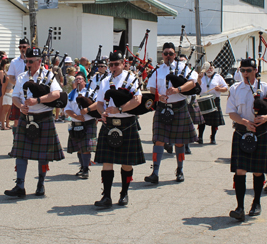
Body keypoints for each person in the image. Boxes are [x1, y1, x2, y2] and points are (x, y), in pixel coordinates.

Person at [226, 58, 267, 221]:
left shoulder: (265, 88)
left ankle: (256, 203)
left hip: (261, 132)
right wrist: (244, 122)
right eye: (242, 70)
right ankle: (240, 207)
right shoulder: (235, 89)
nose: (245, 73)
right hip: (242, 132)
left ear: (255, 71)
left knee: (258, 171)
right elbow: (231, 112)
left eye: (248, 70)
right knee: (240, 170)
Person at [5, 47, 64, 198]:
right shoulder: (21, 77)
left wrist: (38, 100)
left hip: (43, 116)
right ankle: (20, 186)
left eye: (31, 61)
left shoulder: (48, 75)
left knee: (43, 155)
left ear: (39, 62)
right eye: (26, 61)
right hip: (27, 117)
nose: (28, 64)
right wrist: (21, 107)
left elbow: (57, 94)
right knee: (20, 153)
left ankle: (41, 184)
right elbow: (15, 97)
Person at [93, 50, 145, 207]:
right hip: (109, 123)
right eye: (111, 64)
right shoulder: (104, 81)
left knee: (126, 162)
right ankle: (106, 196)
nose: (113, 67)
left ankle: (124, 193)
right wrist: (102, 114)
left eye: (117, 64)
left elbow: (138, 100)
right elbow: (100, 103)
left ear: (123, 64)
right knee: (107, 161)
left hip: (127, 122)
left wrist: (119, 110)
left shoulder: (131, 79)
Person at [145, 42, 198, 184]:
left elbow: (193, 83)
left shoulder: (183, 67)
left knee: (179, 143)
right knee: (158, 140)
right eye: (166, 53)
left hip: (179, 106)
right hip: (162, 107)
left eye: (171, 53)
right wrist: (158, 96)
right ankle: (155, 172)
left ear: (175, 55)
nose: (168, 56)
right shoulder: (158, 71)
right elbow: (151, 87)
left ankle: (180, 170)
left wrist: (178, 89)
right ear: (162, 54)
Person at [64, 72, 98, 179]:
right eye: (76, 79)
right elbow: (67, 109)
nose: (78, 81)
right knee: (79, 147)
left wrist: (88, 110)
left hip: (88, 123)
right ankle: (83, 167)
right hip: (76, 123)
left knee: (86, 147)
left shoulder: (92, 92)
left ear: (85, 81)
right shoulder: (71, 94)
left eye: (80, 79)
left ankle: (86, 169)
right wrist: (76, 116)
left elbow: (98, 104)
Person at [197, 62, 229, 144]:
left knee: (215, 121)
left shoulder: (218, 77)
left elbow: (226, 88)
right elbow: (197, 86)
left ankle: (213, 137)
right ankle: (200, 137)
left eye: (211, 68)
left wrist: (220, 89)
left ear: (213, 69)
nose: (209, 70)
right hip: (203, 99)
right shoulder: (201, 76)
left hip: (214, 99)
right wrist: (199, 78)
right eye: (208, 68)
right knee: (202, 120)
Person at [8, 38, 29, 135]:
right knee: (16, 120)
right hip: (18, 93)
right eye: (20, 47)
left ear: (28, 47)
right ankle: (15, 143)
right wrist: (18, 85)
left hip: (30, 92)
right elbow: (11, 77)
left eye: (24, 47)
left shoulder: (31, 60)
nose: (22, 49)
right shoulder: (14, 62)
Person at [0, 62, 13, 130]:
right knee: (5, 111)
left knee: (10, 111)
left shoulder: (11, 76)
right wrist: (3, 94)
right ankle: (3, 126)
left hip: (11, 94)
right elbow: (3, 87)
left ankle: (7, 124)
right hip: (7, 94)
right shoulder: (6, 77)